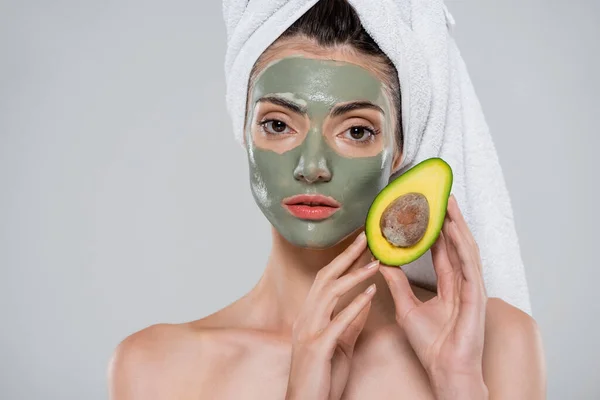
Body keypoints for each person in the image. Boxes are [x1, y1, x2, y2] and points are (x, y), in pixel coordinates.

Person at [108, 1, 546, 398]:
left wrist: (460, 384)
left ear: (399, 153)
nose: (312, 165)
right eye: (279, 125)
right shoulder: (155, 368)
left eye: (357, 130)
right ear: (243, 132)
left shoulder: (498, 344)